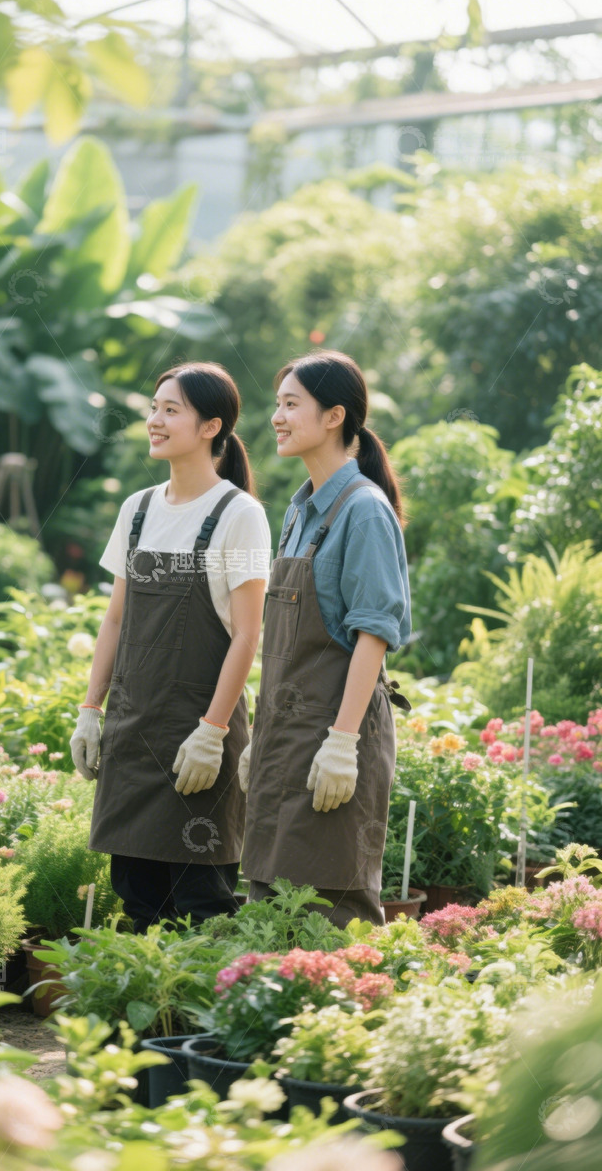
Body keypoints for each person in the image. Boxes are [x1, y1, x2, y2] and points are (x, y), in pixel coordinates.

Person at [70, 362, 271, 932]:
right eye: (154, 408)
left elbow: (247, 634)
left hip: (194, 740)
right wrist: (90, 711)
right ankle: (142, 1023)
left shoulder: (239, 515)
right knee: (136, 903)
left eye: (170, 410)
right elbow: (115, 621)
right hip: (134, 734)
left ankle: (202, 1022)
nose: (154, 421)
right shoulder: (137, 509)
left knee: (202, 906)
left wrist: (212, 732)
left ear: (211, 426)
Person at [239, 350, 412, 928]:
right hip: (286, 737)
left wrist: (342, 745)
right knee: (269, 899)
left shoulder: (363, 510)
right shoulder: (299, 511)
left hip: (334, 738)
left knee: (330, 906)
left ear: (335, 415)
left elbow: (374, 635)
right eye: (277, 404)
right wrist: (257, 739)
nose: (277, 417)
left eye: (292, 404)